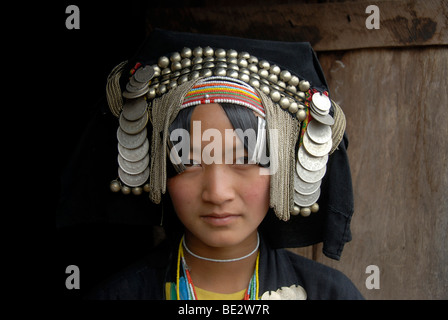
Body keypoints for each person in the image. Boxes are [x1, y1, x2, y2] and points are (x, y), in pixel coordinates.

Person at [86, 29, 363, 300]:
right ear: (159, 170)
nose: (217, 193)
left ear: (284, 168)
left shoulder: (332, 294)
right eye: (190, 161)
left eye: (244, 160)